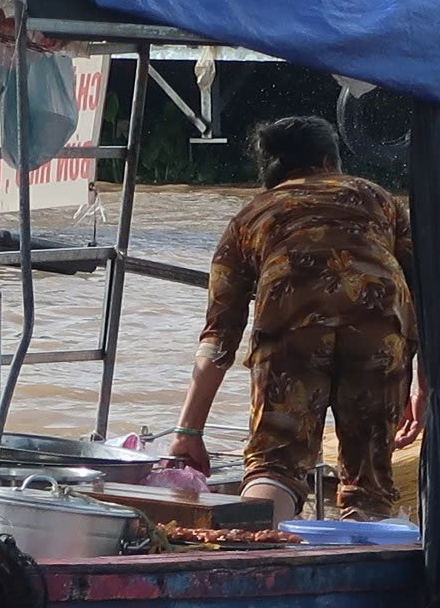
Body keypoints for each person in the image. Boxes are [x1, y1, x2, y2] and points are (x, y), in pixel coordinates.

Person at [167, 116, 418, 522]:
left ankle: (259, 560)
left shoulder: (250, 217)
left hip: (289, 336)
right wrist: (425, 386)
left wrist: (188, 433)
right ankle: (361, 565)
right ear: (328, 161)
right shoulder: (378, 199)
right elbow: (425, 291)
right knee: (369, 484)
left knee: (275, 467)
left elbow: (219, 335)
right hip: (379, 332)